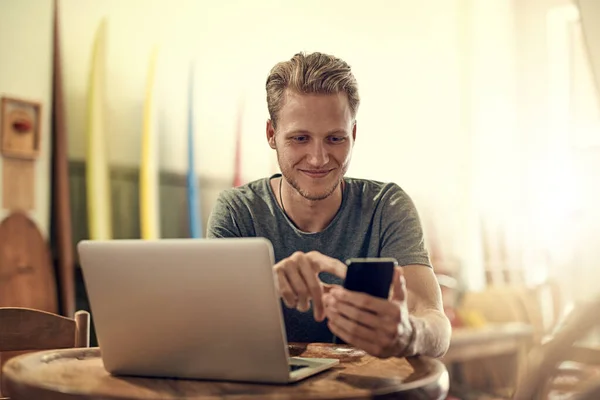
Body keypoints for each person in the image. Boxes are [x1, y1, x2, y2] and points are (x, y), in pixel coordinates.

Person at [207, 51, 451, 359]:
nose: (319, 158)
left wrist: (409, 334)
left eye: (335, 139)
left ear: (354, 134)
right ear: (272, 134)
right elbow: (213, 328)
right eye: (300, 138)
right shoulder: (237, 211)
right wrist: (263, 288)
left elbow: (435, 323)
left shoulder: (387, 207)